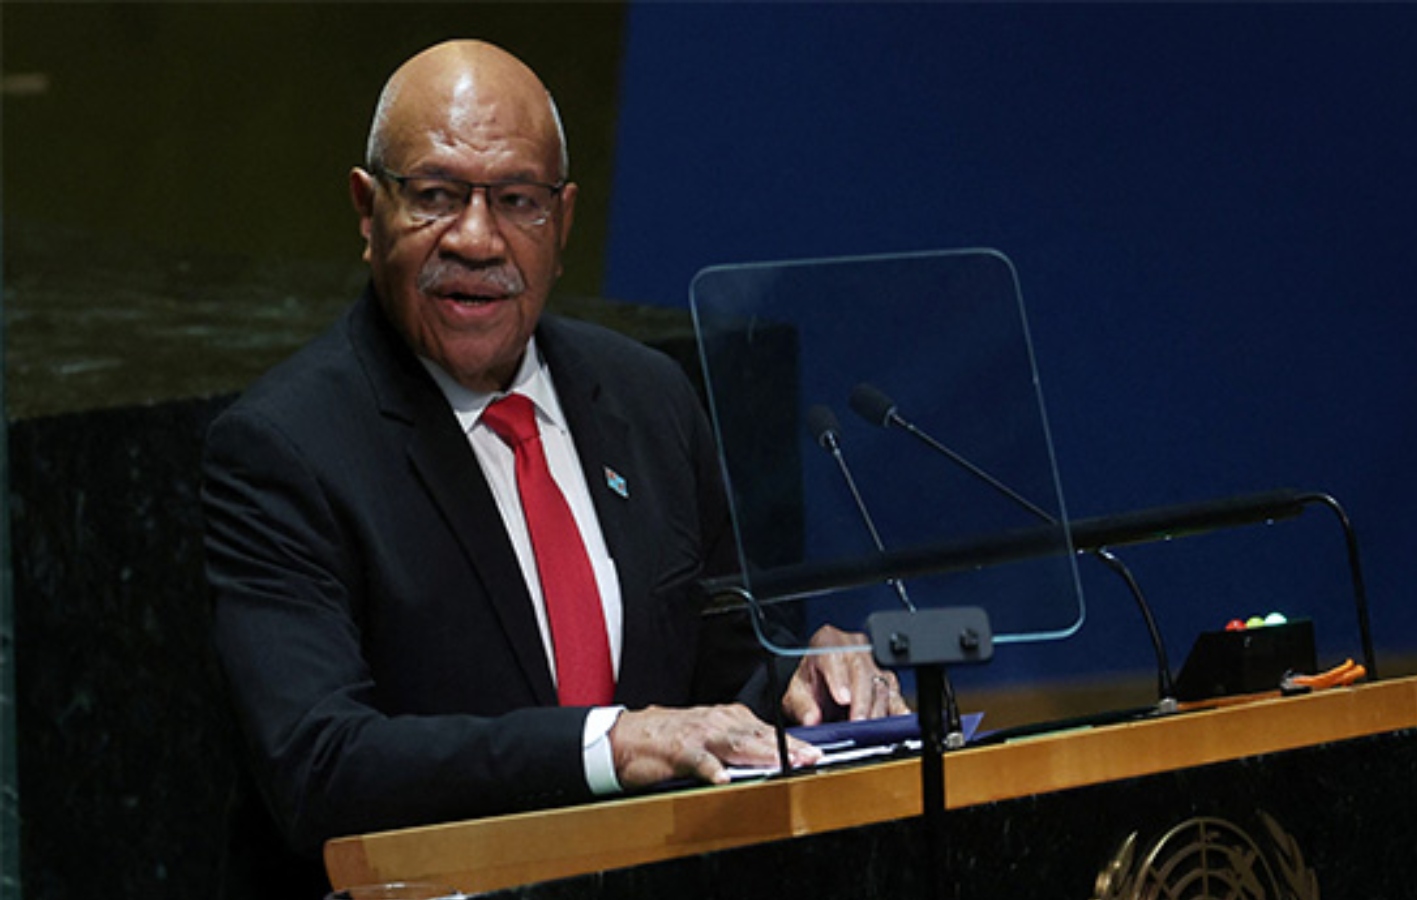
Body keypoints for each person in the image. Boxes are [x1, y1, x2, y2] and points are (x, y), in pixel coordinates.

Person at [202, 38, 908, 875]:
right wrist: (611, 743)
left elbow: (726, 672)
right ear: (367, 210)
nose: (477, 239)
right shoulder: (285, 447)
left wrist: (803, 681)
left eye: (516, 201)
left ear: (563, 222)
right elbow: (319, 765)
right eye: (435, 196)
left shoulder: (648, 398)